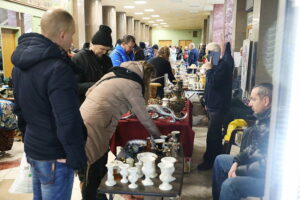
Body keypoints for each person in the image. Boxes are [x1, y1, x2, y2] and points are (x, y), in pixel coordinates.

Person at [11, 8, 87, 200]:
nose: (72, 41)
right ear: (62, 34)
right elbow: (66, 119)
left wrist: (30, 143)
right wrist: (77, 157)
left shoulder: (20, 65)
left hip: (35, 148)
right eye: (72, 35)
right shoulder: (58, 68)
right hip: (55, 154)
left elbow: (19, 109)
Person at [80, 61, 161, 200]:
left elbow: (89, 91)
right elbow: (144, 118)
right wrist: (159, 137)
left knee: (99, 163)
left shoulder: (115, 73)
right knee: (92, 167)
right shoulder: (133, 84)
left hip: (84, 117)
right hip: (95, 124)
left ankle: (100, 195)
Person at [212, 83, 272, 200]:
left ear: (265, 101)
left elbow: (268, 164)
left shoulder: (276, 123)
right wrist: (237, 161)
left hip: (268, 178)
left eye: (253, 99)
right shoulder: (263, 118)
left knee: (229, 185)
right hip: (254, 165)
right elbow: (254, 147)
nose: (249, 103)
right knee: (220, 160)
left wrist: (239, 171)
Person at [198, 42, 234, 170]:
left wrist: (208, 69)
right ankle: (211, 158)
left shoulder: (223, 66)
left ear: (212, 54)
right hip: (213, 105)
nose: (206, 58)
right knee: (213, 134)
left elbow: (213, 83)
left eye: (208, 54)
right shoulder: (218, 65)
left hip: (218, 106)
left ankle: (210, 161)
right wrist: (206, 102)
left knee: (213, 135)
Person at [72, 25, 113, 104]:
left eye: (107, 50)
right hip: (83, 103)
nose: (104, 52)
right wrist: (95, 85)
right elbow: (74, 86)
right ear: (92, 44)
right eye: (102, 49)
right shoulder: (79, 58)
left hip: (102, 102)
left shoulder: (107, 59)